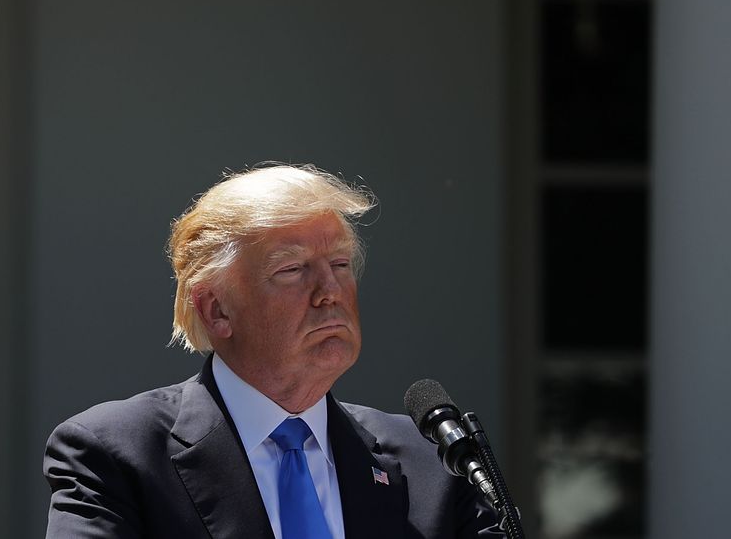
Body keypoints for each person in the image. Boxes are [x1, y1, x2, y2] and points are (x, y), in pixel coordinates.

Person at [43, 164, 501, 538]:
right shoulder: (116, 455)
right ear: (217, 309)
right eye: (293, 269)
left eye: (340, 264)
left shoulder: (433, 463)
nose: (330, 291)